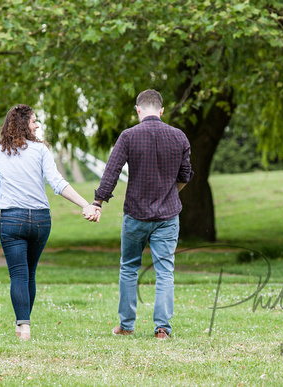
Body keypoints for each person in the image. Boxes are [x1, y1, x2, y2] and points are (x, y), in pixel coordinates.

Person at [84, 89, 194, 339]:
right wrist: (170, 193)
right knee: (165, 271)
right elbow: (185, 175)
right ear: (162, 110)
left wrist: (98, 201)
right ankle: (163, 329)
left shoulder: (128, 136)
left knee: (129, 268)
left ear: (138, 110)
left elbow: (111, 171)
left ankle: (126, 325)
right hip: (167, 217)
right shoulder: (179, 136)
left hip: (135, 215)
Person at [0, 104, 99, 341]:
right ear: (23, 124)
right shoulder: (40, 150)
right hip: (40, 220)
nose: (38, 125)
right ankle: (23, 323)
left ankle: (23, 327)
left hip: (12, 219)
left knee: (19, 274)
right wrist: (85, 204)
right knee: (30, 272)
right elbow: (57, 182)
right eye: (34, 121)